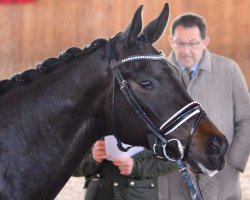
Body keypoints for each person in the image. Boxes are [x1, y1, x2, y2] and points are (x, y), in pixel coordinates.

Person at [158, 13, 250, 200]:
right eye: (180, 43)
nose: (186, 50)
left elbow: (246, 118)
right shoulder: (158, 74)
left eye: (193, 43)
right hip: (172, 177)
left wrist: (232, 162)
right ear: (170, 41)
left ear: (205, 42)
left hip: (221, 175)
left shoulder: (228, 70)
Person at [73, 135, 176, 200]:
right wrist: (93, 159)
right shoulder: (93, 115)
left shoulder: (154, 112)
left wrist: (138, 167)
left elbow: (176, 159)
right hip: (98, 194)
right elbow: (71, 168)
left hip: (139, 195)